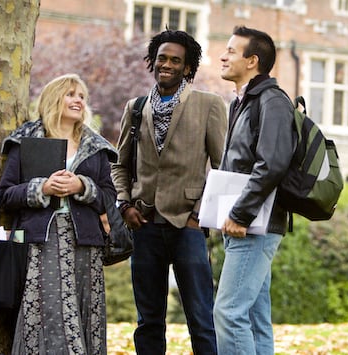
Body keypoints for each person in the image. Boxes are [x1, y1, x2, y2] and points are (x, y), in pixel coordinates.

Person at [111, 29, 227, 354]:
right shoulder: (135, 108)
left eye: (175, 60)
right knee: (148, 321)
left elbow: (223, 167)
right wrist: (124, 205)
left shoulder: (209, 105)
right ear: (153, 60)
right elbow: (119, 165)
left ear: (187, 68)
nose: (167, 64)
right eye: (162, 58)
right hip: (144, 226)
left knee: (201, 320)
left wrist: (199, 216)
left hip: (188, 226)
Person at [0, 73, 116, 355]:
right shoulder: (27, 140)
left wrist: (82, 186)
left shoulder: (95, 146)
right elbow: (5, 194)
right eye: (71, 94)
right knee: (49, 314)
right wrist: (43, 188)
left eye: (82, 96)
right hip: (43, 241)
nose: (78, 100)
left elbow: (109, 198)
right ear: (55, 98)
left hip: (85, 246)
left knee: (84, 315)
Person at [214, 25, 296, 355]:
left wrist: (239, 213)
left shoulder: (271, 101)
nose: (223, 55)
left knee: (228, 312)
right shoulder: (244, 102)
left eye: (232, 51)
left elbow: (272, 164)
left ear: (252, 61)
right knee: (252, 316)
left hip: (253, 224)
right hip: (246, 223)